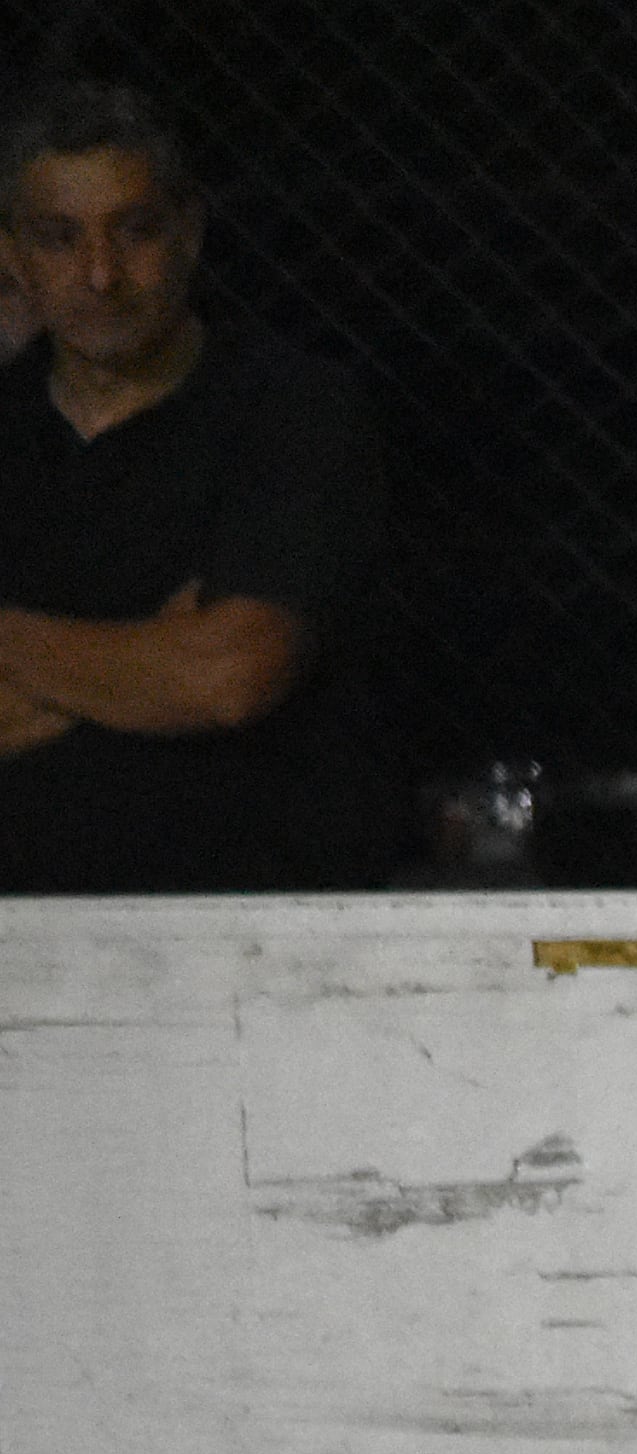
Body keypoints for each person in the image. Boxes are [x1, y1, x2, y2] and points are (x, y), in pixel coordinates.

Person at [0, 79, 396, 893]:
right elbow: (191, 669)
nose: (101, 274)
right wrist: (147, 650)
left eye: (135, 231)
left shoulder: (293, 409)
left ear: (190, 232)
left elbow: (229, 675)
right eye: (59, 238)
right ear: (11, 256)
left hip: (248, 926)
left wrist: (32, 668)